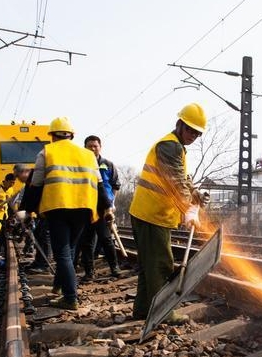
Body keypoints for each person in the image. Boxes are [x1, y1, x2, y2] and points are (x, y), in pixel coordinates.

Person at [129, 103, 210, 324]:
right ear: (179, 124)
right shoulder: (170, 146)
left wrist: (195, 193)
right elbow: (175, 181)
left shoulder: (175, 146)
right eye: (190, 130)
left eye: (197, 133)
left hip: (150, 213)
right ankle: (163, 312)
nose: (193, 135)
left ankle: (144, 309)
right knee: (161, 264)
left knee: (149, 265)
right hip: (152, 215)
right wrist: (189, 209)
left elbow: (182, 179)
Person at [23, 117, 113, 310]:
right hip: (83, 208)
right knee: (70, 249)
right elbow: (99, 185)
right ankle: (59, 286)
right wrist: (106, 207)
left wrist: (28, 210)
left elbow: (36, 184)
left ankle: (70, 297)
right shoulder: (88, 155)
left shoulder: (47, 151)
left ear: (52, 136)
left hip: (58, 207)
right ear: (71, 135)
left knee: (62, 253)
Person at [74, 135, 122, 282]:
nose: (93, 149)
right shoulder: (79, 166)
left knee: (106, 239)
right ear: (85, 148)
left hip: (103, 208)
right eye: (90, 146)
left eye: (95, 146)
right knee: (86, 241)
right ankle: (89, 272)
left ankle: (115, 268)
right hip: (86, 207)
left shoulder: (108, 164)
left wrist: (111, 203)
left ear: (100, 147)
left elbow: (115, 185)